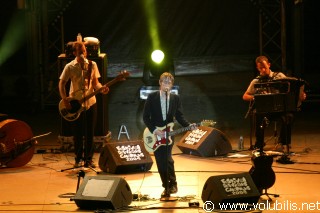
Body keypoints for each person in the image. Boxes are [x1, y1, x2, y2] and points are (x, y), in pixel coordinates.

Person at [143, 72, 196, 198]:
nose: (167, 84)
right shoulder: (152, 97)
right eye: (164, 82)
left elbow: (179, 115)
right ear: (160, 83)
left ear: (172, 85)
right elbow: (145, 117)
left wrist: (188, 125)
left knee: (167, 159)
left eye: (169, 82)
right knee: (160, 161)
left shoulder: (175, 98)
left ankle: (173, 184)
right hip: (155, 133)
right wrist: (155, 130)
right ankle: (166, 186)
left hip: (169, 133)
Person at [59, 41, 109, 168]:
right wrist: (64, 99)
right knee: (77, 133)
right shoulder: (70, 66)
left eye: (84, 52)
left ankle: (88, 159)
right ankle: (78, 158)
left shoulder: (93, 65)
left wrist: (101, 88)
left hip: (90, 103)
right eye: (80, 52)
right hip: (75, 103)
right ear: (75, 53)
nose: (83, 54)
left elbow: (95, 83)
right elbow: (61, 83)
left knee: (89, 133)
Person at [243, 55, 306, 150]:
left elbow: (291, 88)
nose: (263, 70)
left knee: (289, 116)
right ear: (257, 68)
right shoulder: (256, 81)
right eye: (260, 68)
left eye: (264, 67)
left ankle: (282, 143)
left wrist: (301, 95)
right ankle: (259, 144)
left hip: (280, 109)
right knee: (258, 115)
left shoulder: (279, 76)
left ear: (269, 65)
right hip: (266, 111)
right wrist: (256, 97)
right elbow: (245, 96)